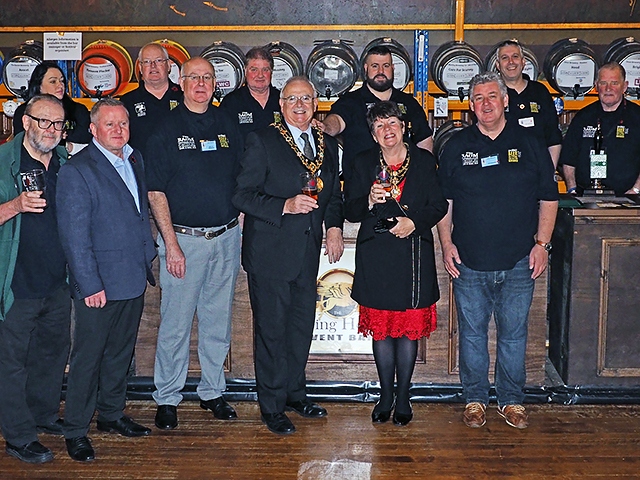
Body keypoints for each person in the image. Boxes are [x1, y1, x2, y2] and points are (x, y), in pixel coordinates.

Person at [436, 72, 558, 430]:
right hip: (469, 262)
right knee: (471, 335)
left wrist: (542, 244)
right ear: (470, 105)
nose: (485, 103)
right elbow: (445, 201)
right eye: (477, 98)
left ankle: (511, 400)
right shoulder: (457, 146)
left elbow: (548, 198)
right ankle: (474, 398)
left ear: (506, 101)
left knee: (514, 334)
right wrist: (446, 244)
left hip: (520, 260)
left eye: (492, 96)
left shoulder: (531, 142)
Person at [233, 76, 344, 435]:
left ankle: (296, 393)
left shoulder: (326, 143)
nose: (300, 105)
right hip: (269, 253)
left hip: (307, 251)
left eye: (306, 99)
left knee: (300, 328)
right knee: (271, 331)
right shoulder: (262, 141)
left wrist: (333, 226)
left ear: (316, 104)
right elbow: (242, 196)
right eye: (292, 99)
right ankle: (272, 405)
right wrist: (285, 205)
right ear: (281, 106)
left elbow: (334, 195)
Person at [145, 57, 243, 431]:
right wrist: (170, 244)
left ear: (215, 83)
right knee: (175, 324)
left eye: (207, 77)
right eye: (193, 77)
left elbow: (241, 182)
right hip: (184, 241)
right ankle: (167, 397)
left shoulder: (227, 124)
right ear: (180, 82)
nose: (201, 83)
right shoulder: (165, 129)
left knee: (218, 322)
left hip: (226, 237)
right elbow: (156, 192)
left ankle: (212, 391)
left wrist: (239, 228)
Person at [57, 98, 157, 462]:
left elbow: (138, 211)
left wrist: (150, 254)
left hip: (132, 275)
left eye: (123, 123)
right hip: (99, 283)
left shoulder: (134, 158)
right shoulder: (77, 170)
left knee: (120, 353)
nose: (118, 130)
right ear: (94, 130)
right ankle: (76, 430)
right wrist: (89, 284)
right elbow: (74, 236)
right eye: (109, 124)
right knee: (88, 358)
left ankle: (111, 415)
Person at [344, 101, 448, 426]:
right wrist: (367, 201)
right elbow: (350, 210)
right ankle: (385, 395)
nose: (387, 131)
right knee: (382, 331)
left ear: (403, 127)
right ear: (373, 134)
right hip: (376, 253)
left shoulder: (425, 161)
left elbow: (439, 205)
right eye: (379, 126)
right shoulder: (362, 162)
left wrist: (414, 222)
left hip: (413, 251)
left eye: (392, 124)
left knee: (408, 330)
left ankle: (403, 396)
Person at [0, 94, 70, 464]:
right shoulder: (3, 162)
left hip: (56, 281)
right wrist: (16, 206)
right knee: (10, 362)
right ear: (25, 122)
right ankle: (18, 436)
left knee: (51, 353)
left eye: (58, 123)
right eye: (45, 122)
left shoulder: (63, 162)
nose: (52, 130)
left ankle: (42, 415)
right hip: (14, 283)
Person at [322, 45, 433, 181]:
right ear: (365, 68)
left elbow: (424, 140)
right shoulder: (350, 101)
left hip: (404, 187)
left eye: (386, 66)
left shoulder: (409, 103)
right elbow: (337, 121)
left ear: (393, 68)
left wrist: (425, 175)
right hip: (360, 187)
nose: (381, 71)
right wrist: (325, 128)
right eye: (375, 66)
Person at [560, 62, 640, 196]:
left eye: (614, 83)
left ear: (624, 86)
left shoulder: (637, 116)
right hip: (586, 198)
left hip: (629, 199)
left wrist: (635, 191)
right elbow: (568, 159)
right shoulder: (583, 117)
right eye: (603, 83)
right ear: (596, 86)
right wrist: (572, 189)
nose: (608, 88)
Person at [495, 39, 562, 167]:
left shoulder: (540, 91)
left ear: (523, 62)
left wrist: (549, 172)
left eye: (515, 56)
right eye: (505, 58)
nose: (511, 62)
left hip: (538, 170)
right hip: (504, 172)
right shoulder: (494, 94)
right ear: (498, 65)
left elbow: (553, 137)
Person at [12, 61, 92, 155]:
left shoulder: (78, 110)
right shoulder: (24, 111)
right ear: (39, 86)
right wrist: (62, 139)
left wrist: (63, 141)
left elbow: (87, 139)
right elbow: (22, 142)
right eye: (53, 81)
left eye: (62, 81)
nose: (60, 85)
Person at [121, 42, 183, 157]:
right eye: (147, 62)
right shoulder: (127, 102)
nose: (153, 66)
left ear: (169, 65)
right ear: (140, 68)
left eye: (159, 60)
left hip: (180, 170)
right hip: (142, 171)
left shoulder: (184, 97)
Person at [219, 46, 281, 140]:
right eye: (254, 70)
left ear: (271, 72)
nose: (260, 75)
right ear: (245, 71)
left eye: (265, 70)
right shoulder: (231, 102)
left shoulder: (283, 100)